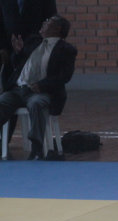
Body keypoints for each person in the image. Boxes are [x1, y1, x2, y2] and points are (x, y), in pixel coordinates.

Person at [0, 15, 77, 160]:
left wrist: (41, 85)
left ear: (57, 28)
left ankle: (36, 148)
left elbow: (64, 77)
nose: (44, 22)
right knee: (2, 102)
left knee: (36, 104)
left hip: (42, 91)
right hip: (18, 89)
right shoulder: (33, 41)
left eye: (48, 22)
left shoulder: (66, 50)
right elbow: (19, 64)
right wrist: (18, 53)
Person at [0, 0, 57, 145]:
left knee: (33, 99)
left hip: (37, 51)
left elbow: (52, 22)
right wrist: (4, 49)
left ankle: (37, 146)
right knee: (8, 95)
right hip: (10, 52)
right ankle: (3, 142)